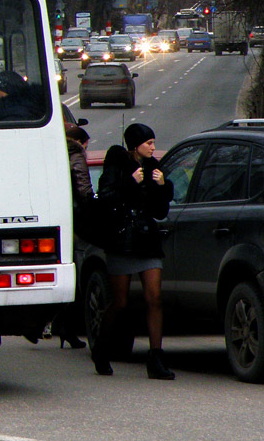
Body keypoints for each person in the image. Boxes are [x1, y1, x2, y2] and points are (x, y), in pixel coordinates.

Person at [91, 122, 175, 380]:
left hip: (147, 240)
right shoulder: (117, 165)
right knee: (120, 302)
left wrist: (163, 187)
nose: (153, 147)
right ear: (135, 145)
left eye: (153, 142)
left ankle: (156, 357)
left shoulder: (154, 169)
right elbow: (105, 198)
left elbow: (160, 212)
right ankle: (101, 350)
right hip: (122, 240)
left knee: (155, 298)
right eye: (148, 143)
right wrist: (129, 182)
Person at [48, 126, 92, 349]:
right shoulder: (75, 156)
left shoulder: (52, 152)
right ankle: (68, 326)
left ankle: (54, 323)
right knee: (80, 273)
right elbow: (84, 190)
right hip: (76, 221)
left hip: (54, 220)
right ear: (79, 142)